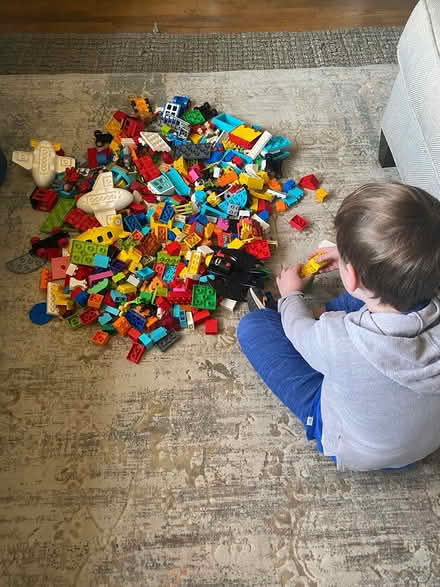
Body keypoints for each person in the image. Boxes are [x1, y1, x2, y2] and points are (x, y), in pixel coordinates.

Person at [237, 183, 440, 472]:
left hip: (356, 446)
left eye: (345, 260)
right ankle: (331, 306)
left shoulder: (339, 338)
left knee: (254, 328)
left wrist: (291, 296)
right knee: (380, 296)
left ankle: (301, 312)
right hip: (423, 440)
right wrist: (352, 258)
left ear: (352, 275)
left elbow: (298, 331)